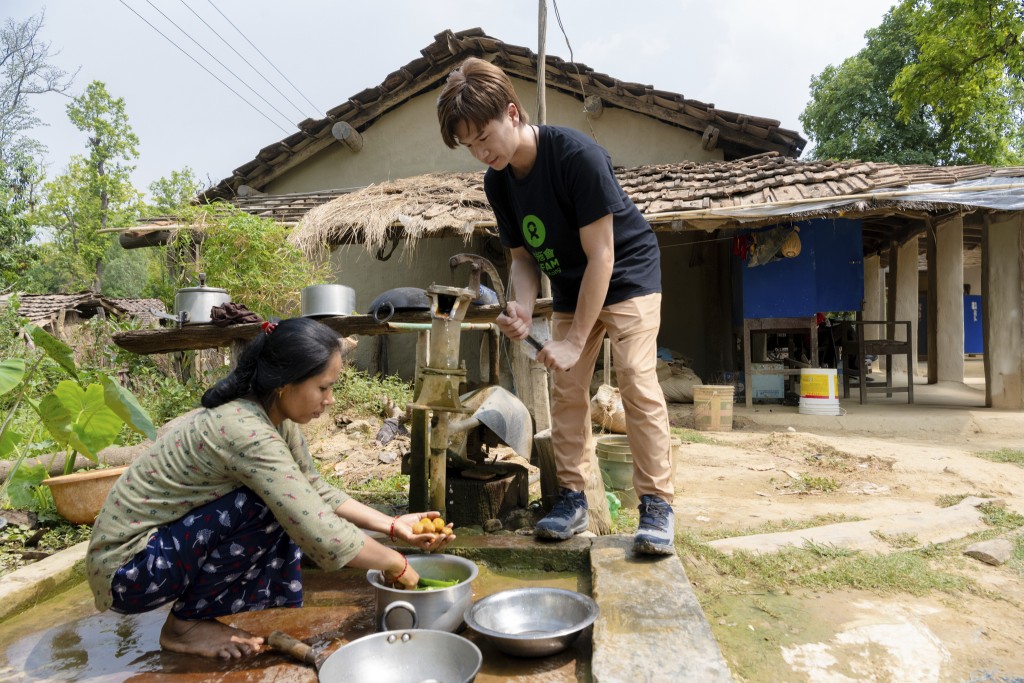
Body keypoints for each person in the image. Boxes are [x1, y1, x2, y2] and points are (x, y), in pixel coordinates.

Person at [86, 317, 454, 659]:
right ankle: (184, 628)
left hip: (161, 551)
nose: (331, 400)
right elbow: (318, 529)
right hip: (128, 572)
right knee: (274, 505)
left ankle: (196, 618)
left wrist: (392, 526)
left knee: (287, 497)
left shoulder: (274, 419)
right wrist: (396, 562)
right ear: (285, 384)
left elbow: (313, 488)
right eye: (323, 387)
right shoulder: (245, 430)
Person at [437, 57, 676, 556]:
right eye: (470, 145)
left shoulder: (575, 156)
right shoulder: (498, 182)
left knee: (634, 376)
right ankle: (571, 498)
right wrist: (523, 307)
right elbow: (522, 257)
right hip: (572, 283)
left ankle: (655, 505)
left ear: (513, 112)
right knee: (567, 389)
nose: (481, 151)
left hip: (627, 274)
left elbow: (603, 256)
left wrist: (571, 340)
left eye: (485, 135)